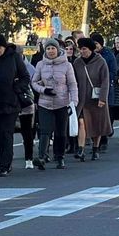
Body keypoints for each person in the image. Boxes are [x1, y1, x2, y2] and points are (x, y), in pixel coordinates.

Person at [0, 34, 31, 177]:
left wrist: (17, 88)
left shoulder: (14, 57)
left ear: (5, 47)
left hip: (11, 102)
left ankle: (5, 165)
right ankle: (3, 160)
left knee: (6, 133)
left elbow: (25, 77)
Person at [31, 37, 77, 170]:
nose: (51, 51)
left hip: (62, 102)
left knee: (60, 131)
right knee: (45, 130)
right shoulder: (40, 64)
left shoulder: (67, 65)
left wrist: (74, 102)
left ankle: (60, 157)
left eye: (53, 48)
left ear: (58, 49)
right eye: (48, 48)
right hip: (45, 102)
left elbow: (72, 84)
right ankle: (41, 157)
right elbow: (34, 82)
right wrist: (43, 90)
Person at [72, 37, 111, 160]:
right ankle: (81, 149)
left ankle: (95, 148)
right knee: (81, 123)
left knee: (96, 124)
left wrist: (102, 98)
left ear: (90, 49)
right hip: (81, 100)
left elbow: (105, 81)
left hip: (96, 99)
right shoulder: (77, 63)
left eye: (84, 49)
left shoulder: (101, 62)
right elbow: (73, 81)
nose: (82, 51)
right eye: (80, 49)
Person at [93, 33, 118, 151]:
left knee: (105, 115)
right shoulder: (90, 55)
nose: (95, 46)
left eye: (96, 44)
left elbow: (113, 71)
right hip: (93, 89)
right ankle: (96, 141)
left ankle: (104, 139)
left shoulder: (108, 55)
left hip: (106, 88)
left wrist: (104, 79)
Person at [18, 56, 38, 169]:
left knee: (27, 132)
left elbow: (33, 84)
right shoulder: (4, 66)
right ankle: (5, 159)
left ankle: (29, 158)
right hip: (9, 103)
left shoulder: (28, 68)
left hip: (25, 102)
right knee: (5, 133)